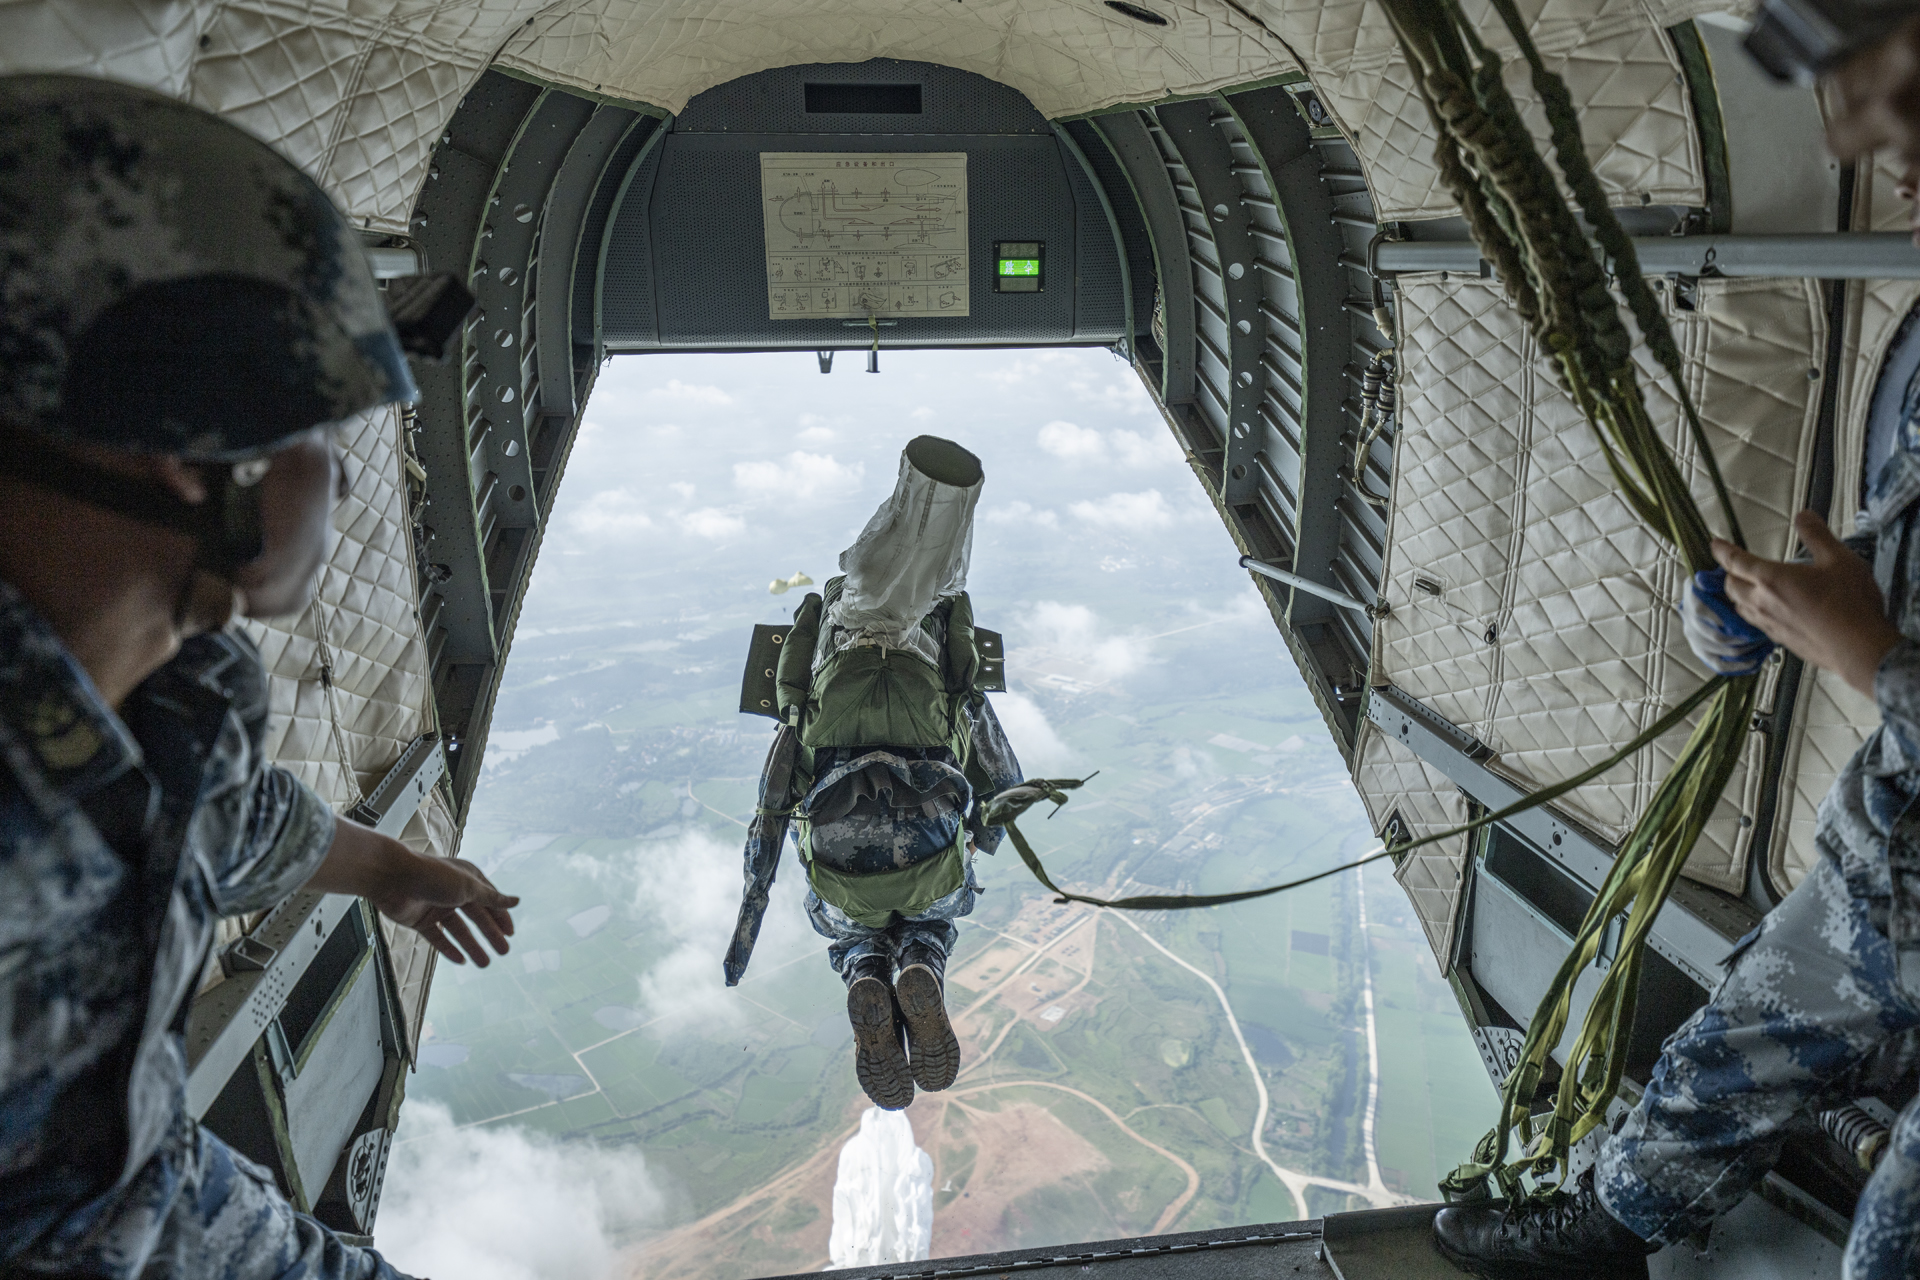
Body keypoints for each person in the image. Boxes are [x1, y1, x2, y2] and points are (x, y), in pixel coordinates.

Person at [0, 77, 518, 1279]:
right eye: (324, 435)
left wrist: (389, 866)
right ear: (195, 455)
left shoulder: (139, 713)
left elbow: (214, 826)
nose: (335, 480)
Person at [724, 436, 1023, 1112]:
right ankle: (904, 964)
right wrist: (984, 833)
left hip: (845, 854)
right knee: (909, 907)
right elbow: (998, 772)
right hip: (924, 839)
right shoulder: (942, 653)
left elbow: (777, 791)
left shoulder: (824, 648)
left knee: (886, 921)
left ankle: (889, 965)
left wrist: (751, 907)